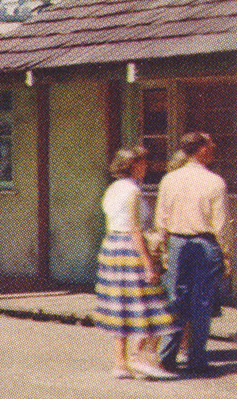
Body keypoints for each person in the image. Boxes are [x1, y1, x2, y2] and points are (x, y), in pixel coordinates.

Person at [95, 146, 177, 379]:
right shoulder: (133, 191)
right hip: (130, 249)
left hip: (111, 246)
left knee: (121, 304)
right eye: (142, 163)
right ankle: (142, 356)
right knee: (154, 304)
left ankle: (120, 362)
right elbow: (134, 228)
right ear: (133, 165)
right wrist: (149, 263)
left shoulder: (112, 189)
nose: (146, 167)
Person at [154, 131, 231, 376]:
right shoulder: (214, 182)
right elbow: (221, 224)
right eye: (210, 145)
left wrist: (163, 246)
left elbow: (161, 217)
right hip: (205, 244)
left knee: (175, 300)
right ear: (201, 150)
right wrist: (227, 254)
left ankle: (167, 357)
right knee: (202, 302)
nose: (213, 148)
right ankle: (197, 359)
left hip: (177, 243)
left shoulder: (170, 180)